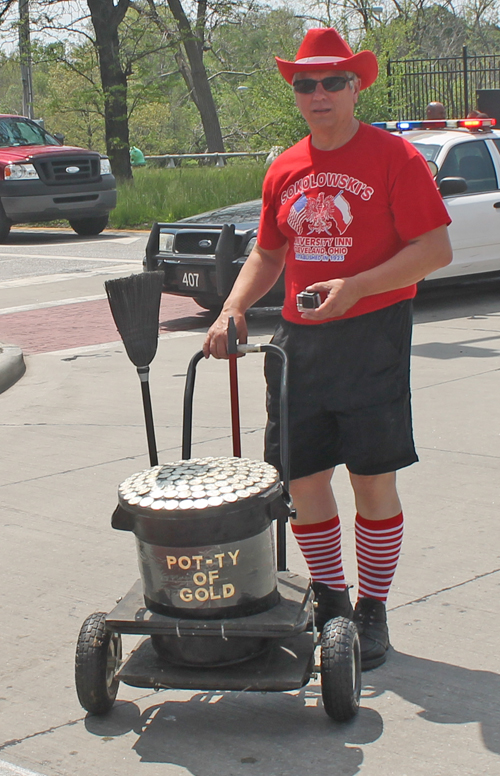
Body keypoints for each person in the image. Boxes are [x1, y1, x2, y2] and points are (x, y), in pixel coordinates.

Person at [203, 27, 452, 670]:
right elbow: (268, 251)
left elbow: (434, 250)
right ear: (296, 93)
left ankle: (372, 608)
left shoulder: (396, 159)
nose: (319, 94)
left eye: (332, 81)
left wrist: (357, 288)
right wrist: (232, 309)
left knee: (371, 480)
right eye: (305, 83)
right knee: (304, 478)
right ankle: (332, 600)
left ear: (355, 86)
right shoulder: (284, 167)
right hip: (297, 346)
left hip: (372, 337)